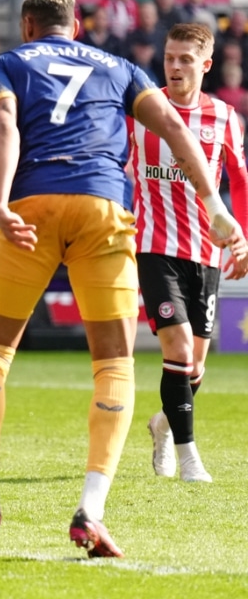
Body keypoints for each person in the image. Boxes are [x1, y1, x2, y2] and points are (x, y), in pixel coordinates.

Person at [0, 0, 246, 559]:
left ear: (27, 25)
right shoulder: (120, 66)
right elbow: (177, 130)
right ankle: (91, 511)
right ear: (78, 25)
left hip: (34, 205)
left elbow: (5, 127)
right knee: (114, 364)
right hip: (103, 209)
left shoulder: (7, 64)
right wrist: (217, 208)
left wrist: (0, 203)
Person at [131, 24, 248, 484]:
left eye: (185, 59)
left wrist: (243, 237)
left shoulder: (223, 116)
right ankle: (189, 457)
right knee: (177, 349)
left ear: (206, 64)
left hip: (207, 252)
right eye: (169, 58)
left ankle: (162, 424)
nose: (175, 66)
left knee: (194, 366)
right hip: (153, 245)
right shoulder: (141, 111)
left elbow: (238, 181)